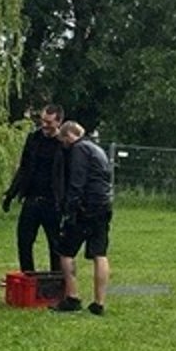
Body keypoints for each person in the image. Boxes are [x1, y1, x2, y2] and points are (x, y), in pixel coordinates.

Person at [51, 120, 113, 314]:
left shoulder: (79, 150)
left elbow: (77, 181)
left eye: (63, 140)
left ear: (69, 136)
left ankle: (72, 297)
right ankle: (99, 303)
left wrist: (69, 209)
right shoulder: (97, 149)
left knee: (66, 251)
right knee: (99, 253)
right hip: (104, 205)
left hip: (85, 207)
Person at [1, 104, 68, 273]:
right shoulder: (33, 139)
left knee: (55, 244)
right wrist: (10, 194)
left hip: (53, 202)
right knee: (24, 240)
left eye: (49, 122)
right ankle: (27, 276)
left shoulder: (65, 145)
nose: (44, 125)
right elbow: (23, 168)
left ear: (59, 122)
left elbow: (70, 175)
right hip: (32, 199)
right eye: (43, 121)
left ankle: (55, 280)